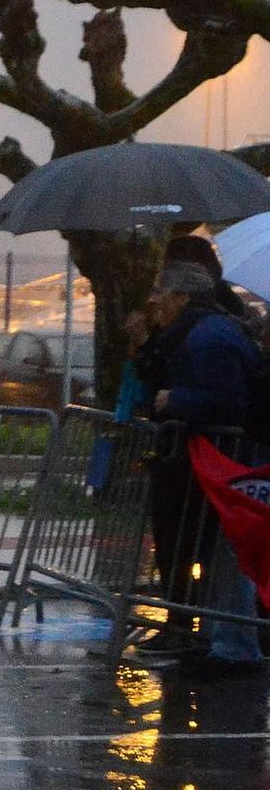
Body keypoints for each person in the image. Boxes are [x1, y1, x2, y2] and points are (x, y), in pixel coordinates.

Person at [143, 262, 266, 671]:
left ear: (182, 297)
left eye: (161, 291)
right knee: (220, 553)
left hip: (230, 463)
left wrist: (175, 401)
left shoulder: (208, 339)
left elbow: (229, 402)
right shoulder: (201, 333)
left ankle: (232, 647)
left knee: (230, 554)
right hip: (223, 462)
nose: (153, 300)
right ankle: (220, 641)